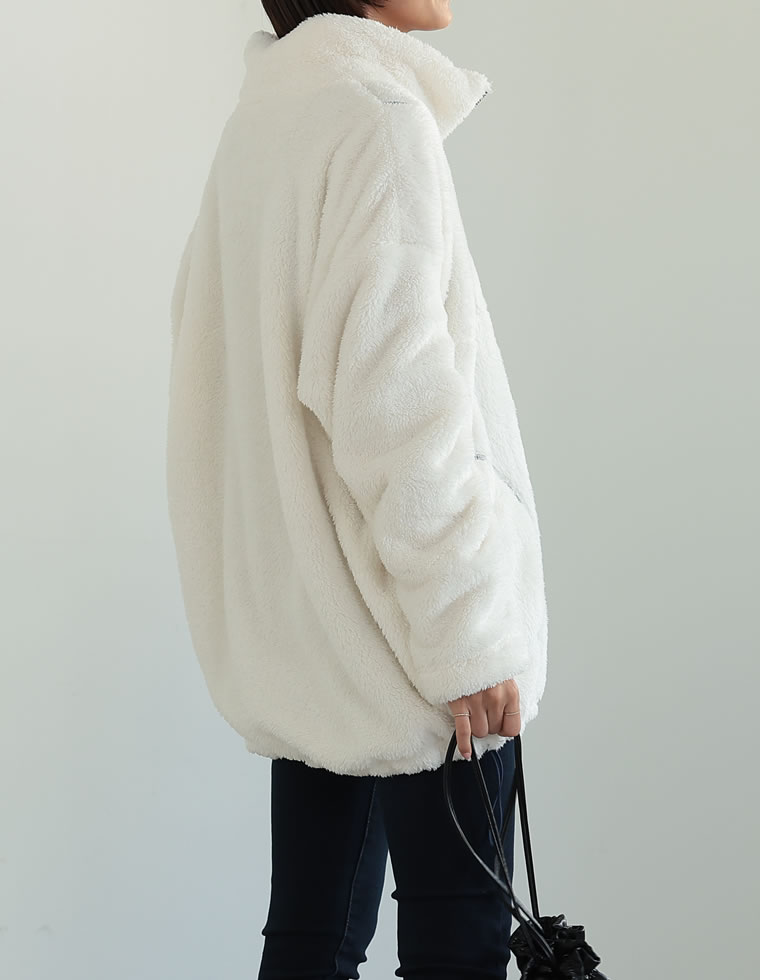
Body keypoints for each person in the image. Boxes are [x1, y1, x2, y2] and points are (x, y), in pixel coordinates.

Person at [166, 1, 549, 976]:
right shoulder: (378, 121)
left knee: (310, 937)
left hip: (317, 636)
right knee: (459, 938)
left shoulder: (266, 123)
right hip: (413, 636)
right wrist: (467, 632)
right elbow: (397, 405)